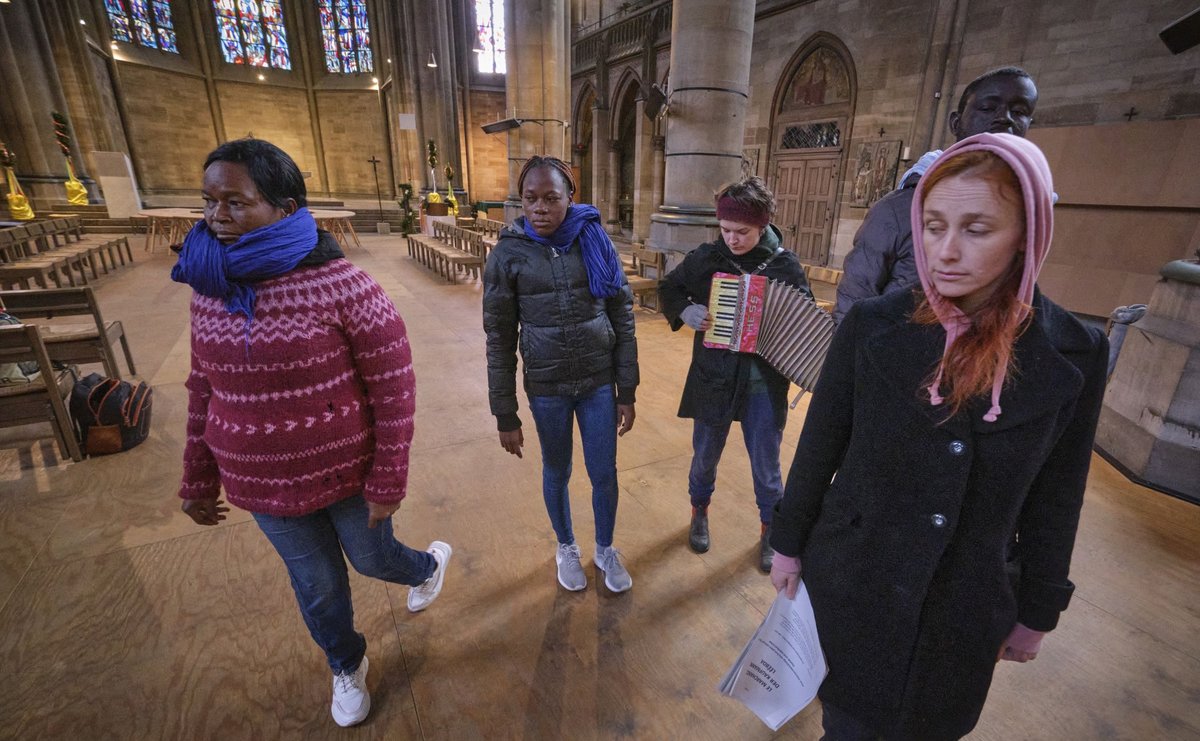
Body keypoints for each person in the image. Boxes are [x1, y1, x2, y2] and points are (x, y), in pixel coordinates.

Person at [769, 133, 1108, 740]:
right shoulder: (875, 326)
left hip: (966, 606)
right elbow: (822, 443)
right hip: (857, 581)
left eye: (977, 229)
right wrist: (789, 544)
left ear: (1029, 232)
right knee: (847, 727)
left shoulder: (1074, 351)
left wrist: (1039, 607)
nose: (946, 250)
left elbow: (1059, 494)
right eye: (932, 225)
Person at [173, 138, 451, 728]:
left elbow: (394, 386)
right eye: (209, 202)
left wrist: (389, 476)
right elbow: (203, 387)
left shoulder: (345, 286)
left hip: (349, 472)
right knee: (319, 585)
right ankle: (345, 663)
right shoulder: (208, 287)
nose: (217, 217)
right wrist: (198, 476)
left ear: (286, 206)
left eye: (235, 202)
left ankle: (426, 567)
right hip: (262, 481)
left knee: (373, 560)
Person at [482, 155, 639, 593]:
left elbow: (622, 316)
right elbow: (498, 338)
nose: (540, 208)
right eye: (530, 199)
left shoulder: (595, 240)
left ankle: (604, 548)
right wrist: (505, 413)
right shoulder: (509, 254)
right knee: (558, 469)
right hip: (547, 387)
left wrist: (626, 387)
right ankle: (566, 546)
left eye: (552, 198)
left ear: (571, 197)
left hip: (597, 383)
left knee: (603, 472)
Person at [659, 177, 811, 573]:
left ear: (763, 225)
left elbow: (806, 316)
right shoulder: (709, 258)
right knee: (705, 455)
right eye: (725, 230)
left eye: (741, 232)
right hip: (715, 375)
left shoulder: (784, 264)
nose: (732, 239)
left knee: (767, 464)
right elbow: (670, 287)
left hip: (763, 381)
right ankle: (699, 511)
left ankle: (770, 529)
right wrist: (686, 312)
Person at [834, 66, 1039, 323]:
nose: (1005, 118)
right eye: (988, 108)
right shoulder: (900, 209)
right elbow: (855, 299)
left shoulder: (1029, 211)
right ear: (956, 122)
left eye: (1019, 111)